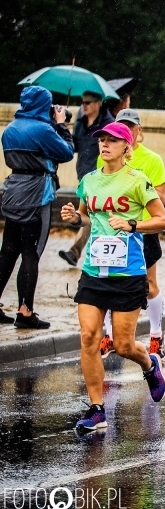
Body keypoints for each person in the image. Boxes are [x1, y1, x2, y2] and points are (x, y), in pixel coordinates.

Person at [60, 122, 165, 432]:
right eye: (102, 140)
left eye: (112, 140)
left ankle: (150, 364)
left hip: (128, 272)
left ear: (126, 147)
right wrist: (73, 219)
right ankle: (97, 409)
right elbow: (85, 217)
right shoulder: (89, 181)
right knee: (88, 337)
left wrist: (133, 225)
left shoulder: (138, 181)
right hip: (94, 271)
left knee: (123, 345)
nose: (105, 144)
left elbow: (163, 220)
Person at [95, 109, 165, 359]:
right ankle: (106, 335)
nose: (125, 130)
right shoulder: (104, 156)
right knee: (106, 284)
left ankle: (156, 334)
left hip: (142, 231)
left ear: (139, 132)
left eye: (130, 126)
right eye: (120, 126)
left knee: (148, 286)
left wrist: (135, 191)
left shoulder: (152, 160)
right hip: (111, 231)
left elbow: (161, 199)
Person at [0, 86, 74, 328]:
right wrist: (61, 125)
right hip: (37, 196)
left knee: (8, 251)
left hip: (13, 193)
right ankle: (25, 312)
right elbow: (66, 152)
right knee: (31, 253)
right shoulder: (43, 130)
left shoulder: (10, 129)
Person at [59, 91, 114, 267]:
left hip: (101, 177)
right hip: (84, 176)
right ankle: (82, 252)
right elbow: (74, 145)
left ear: (99, 103)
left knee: (91, 213)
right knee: (93, 215)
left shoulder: (108, 124)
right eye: (83, 102)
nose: (85, 106)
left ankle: (76, 252)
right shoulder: (81, 123)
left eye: (88, 103)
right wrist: (62, 127)